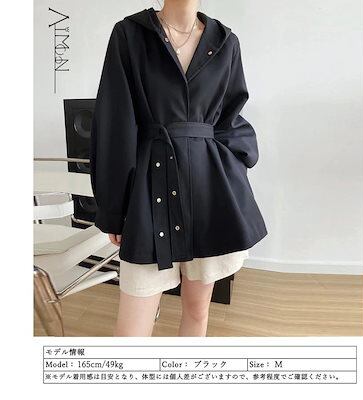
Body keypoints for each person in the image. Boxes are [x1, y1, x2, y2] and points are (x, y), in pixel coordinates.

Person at [90, 0, 268, 337]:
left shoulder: (225, 41)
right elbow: (115, 123)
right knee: (132, 330)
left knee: (198, 312)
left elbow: (230, 118)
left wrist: (238, 161)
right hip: (148, 190)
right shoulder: (130, 34)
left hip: (210, 189)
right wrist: (114, 208)